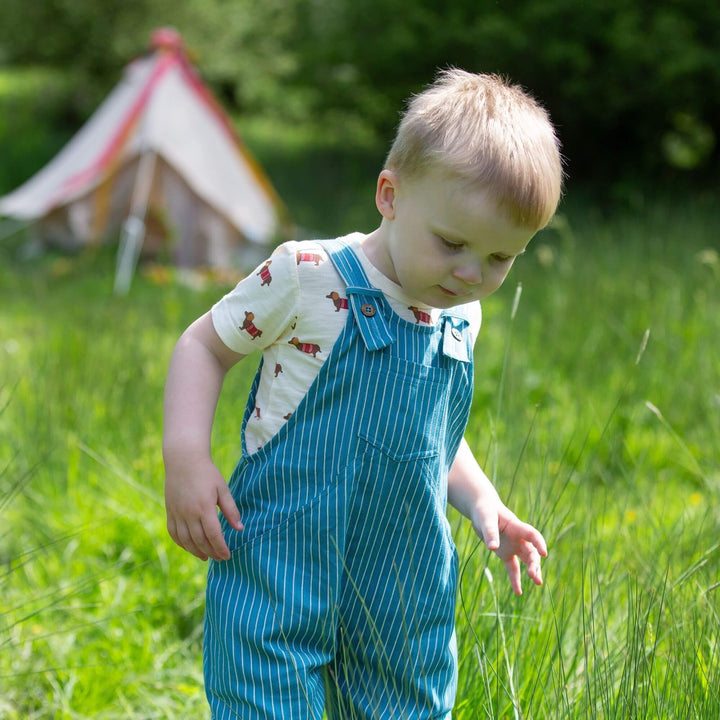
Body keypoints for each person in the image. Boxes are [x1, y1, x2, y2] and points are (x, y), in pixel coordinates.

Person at [163, 68, 563, 719]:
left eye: (500, 259)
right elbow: (202, 346)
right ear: (390, 194)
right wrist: (185, 454)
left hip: (400, 586)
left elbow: (429, 430)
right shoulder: (308, 276)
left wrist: (482, 497)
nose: (470, 273)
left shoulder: (461, 313)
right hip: (279, 565)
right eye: (453, 244)